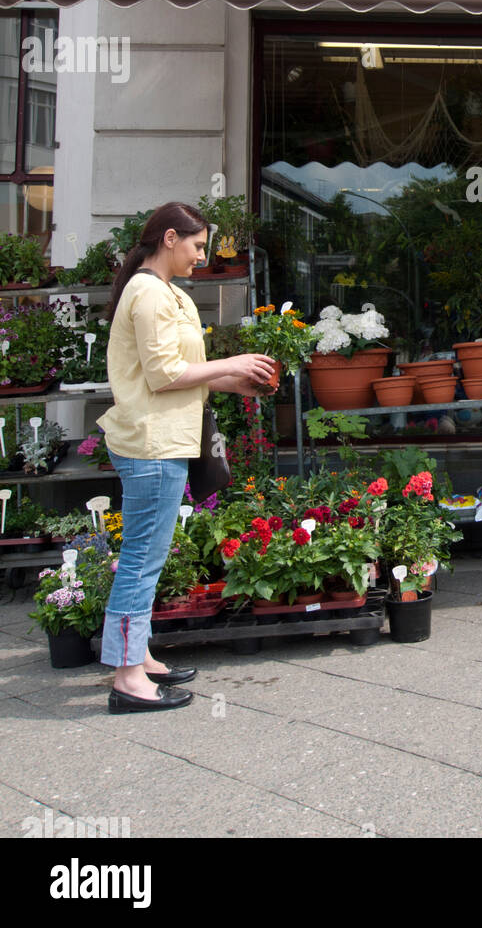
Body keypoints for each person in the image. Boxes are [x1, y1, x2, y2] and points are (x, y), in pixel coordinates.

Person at [97, 202, 276, 713]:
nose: (203, 255)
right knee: (140, 560)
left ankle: (138, 657)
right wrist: (233, 361)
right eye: (198, 246)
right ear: (170, 238)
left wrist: (238, 382)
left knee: (146, 557)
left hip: (166, 440)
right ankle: (129, 679)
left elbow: (185, 372)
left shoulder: (169, 293)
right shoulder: (148, 292)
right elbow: (162, 376)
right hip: (152, 443)